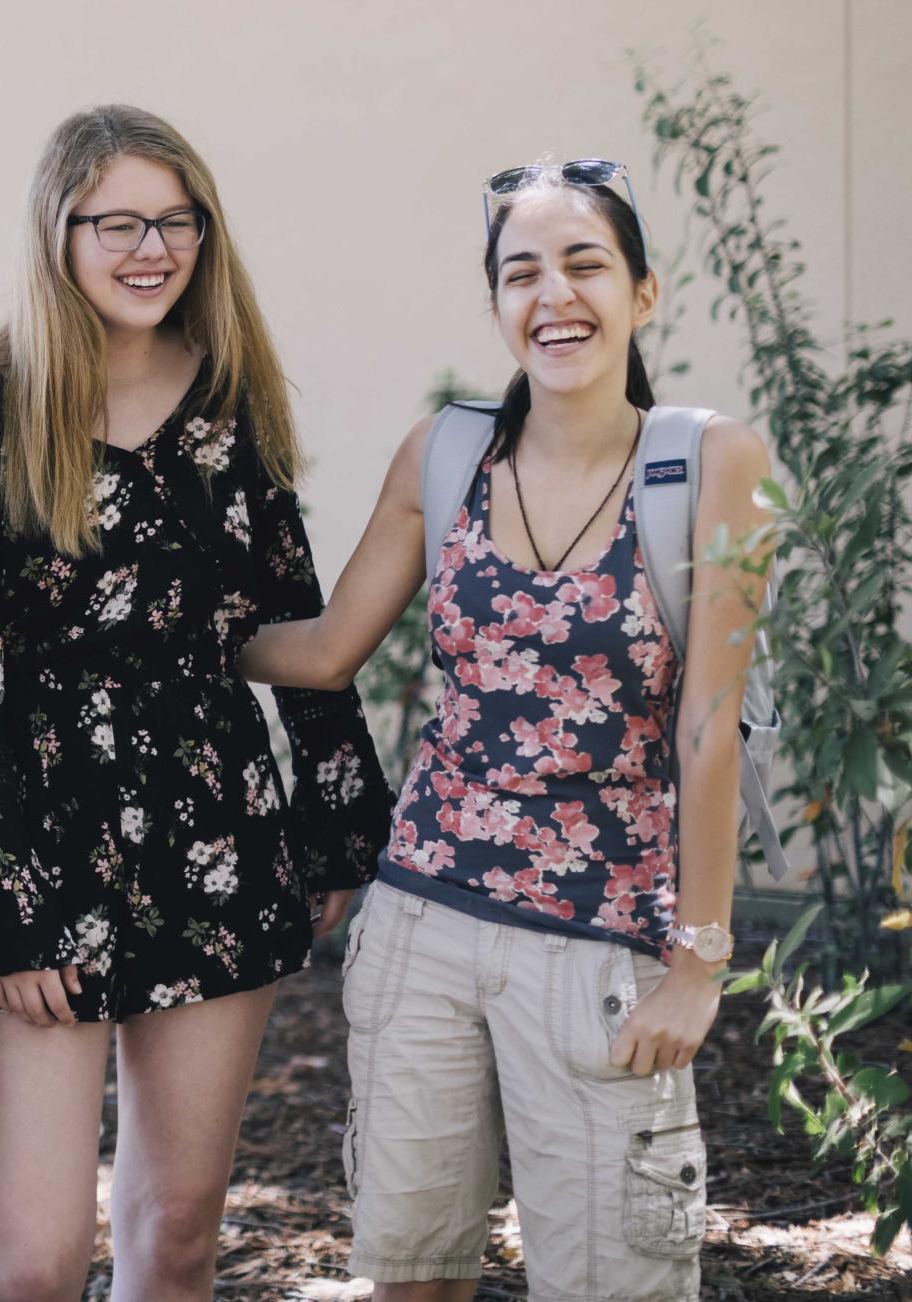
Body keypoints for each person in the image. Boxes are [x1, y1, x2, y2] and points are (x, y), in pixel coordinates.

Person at [0, 106, 395, 1299]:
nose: (147, 248)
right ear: (56, 235)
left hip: (206, 825)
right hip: (27, 841)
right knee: (34, 1262)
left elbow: (289, 615)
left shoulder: (230, 408)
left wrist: (331, 816)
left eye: (174, 221)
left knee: (174, 1237)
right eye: (115, 221)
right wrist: (6, 911)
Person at [238, 159, 770, 1299]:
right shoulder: (447, 453)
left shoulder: (708, 462)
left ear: (642, 292)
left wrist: (698, 963)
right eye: (518, 273)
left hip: (600, 948)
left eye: (583, 264)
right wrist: (148, 633)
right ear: (494, 306)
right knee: (412, 1275)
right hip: (421, 920)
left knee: (607, 1283)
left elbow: (706, 730)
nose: (552, 296)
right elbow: (328, 647)